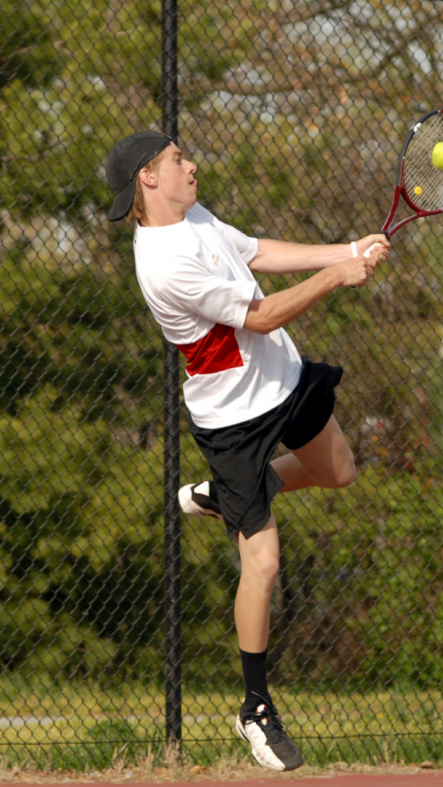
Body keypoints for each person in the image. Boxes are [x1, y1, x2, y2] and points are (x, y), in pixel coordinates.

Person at [105, 131, 391, 772]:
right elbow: (259, 317)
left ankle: (223, 499)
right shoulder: (162, 260)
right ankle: (255, 707)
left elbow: (257, 252)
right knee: (261, 563)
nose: (191, 163)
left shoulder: (196, 218)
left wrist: (347, 249)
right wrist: (336, 277)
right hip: (234, 422)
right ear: (148, 180)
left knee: (338, 472)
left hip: (285, 383)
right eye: (177, 159)